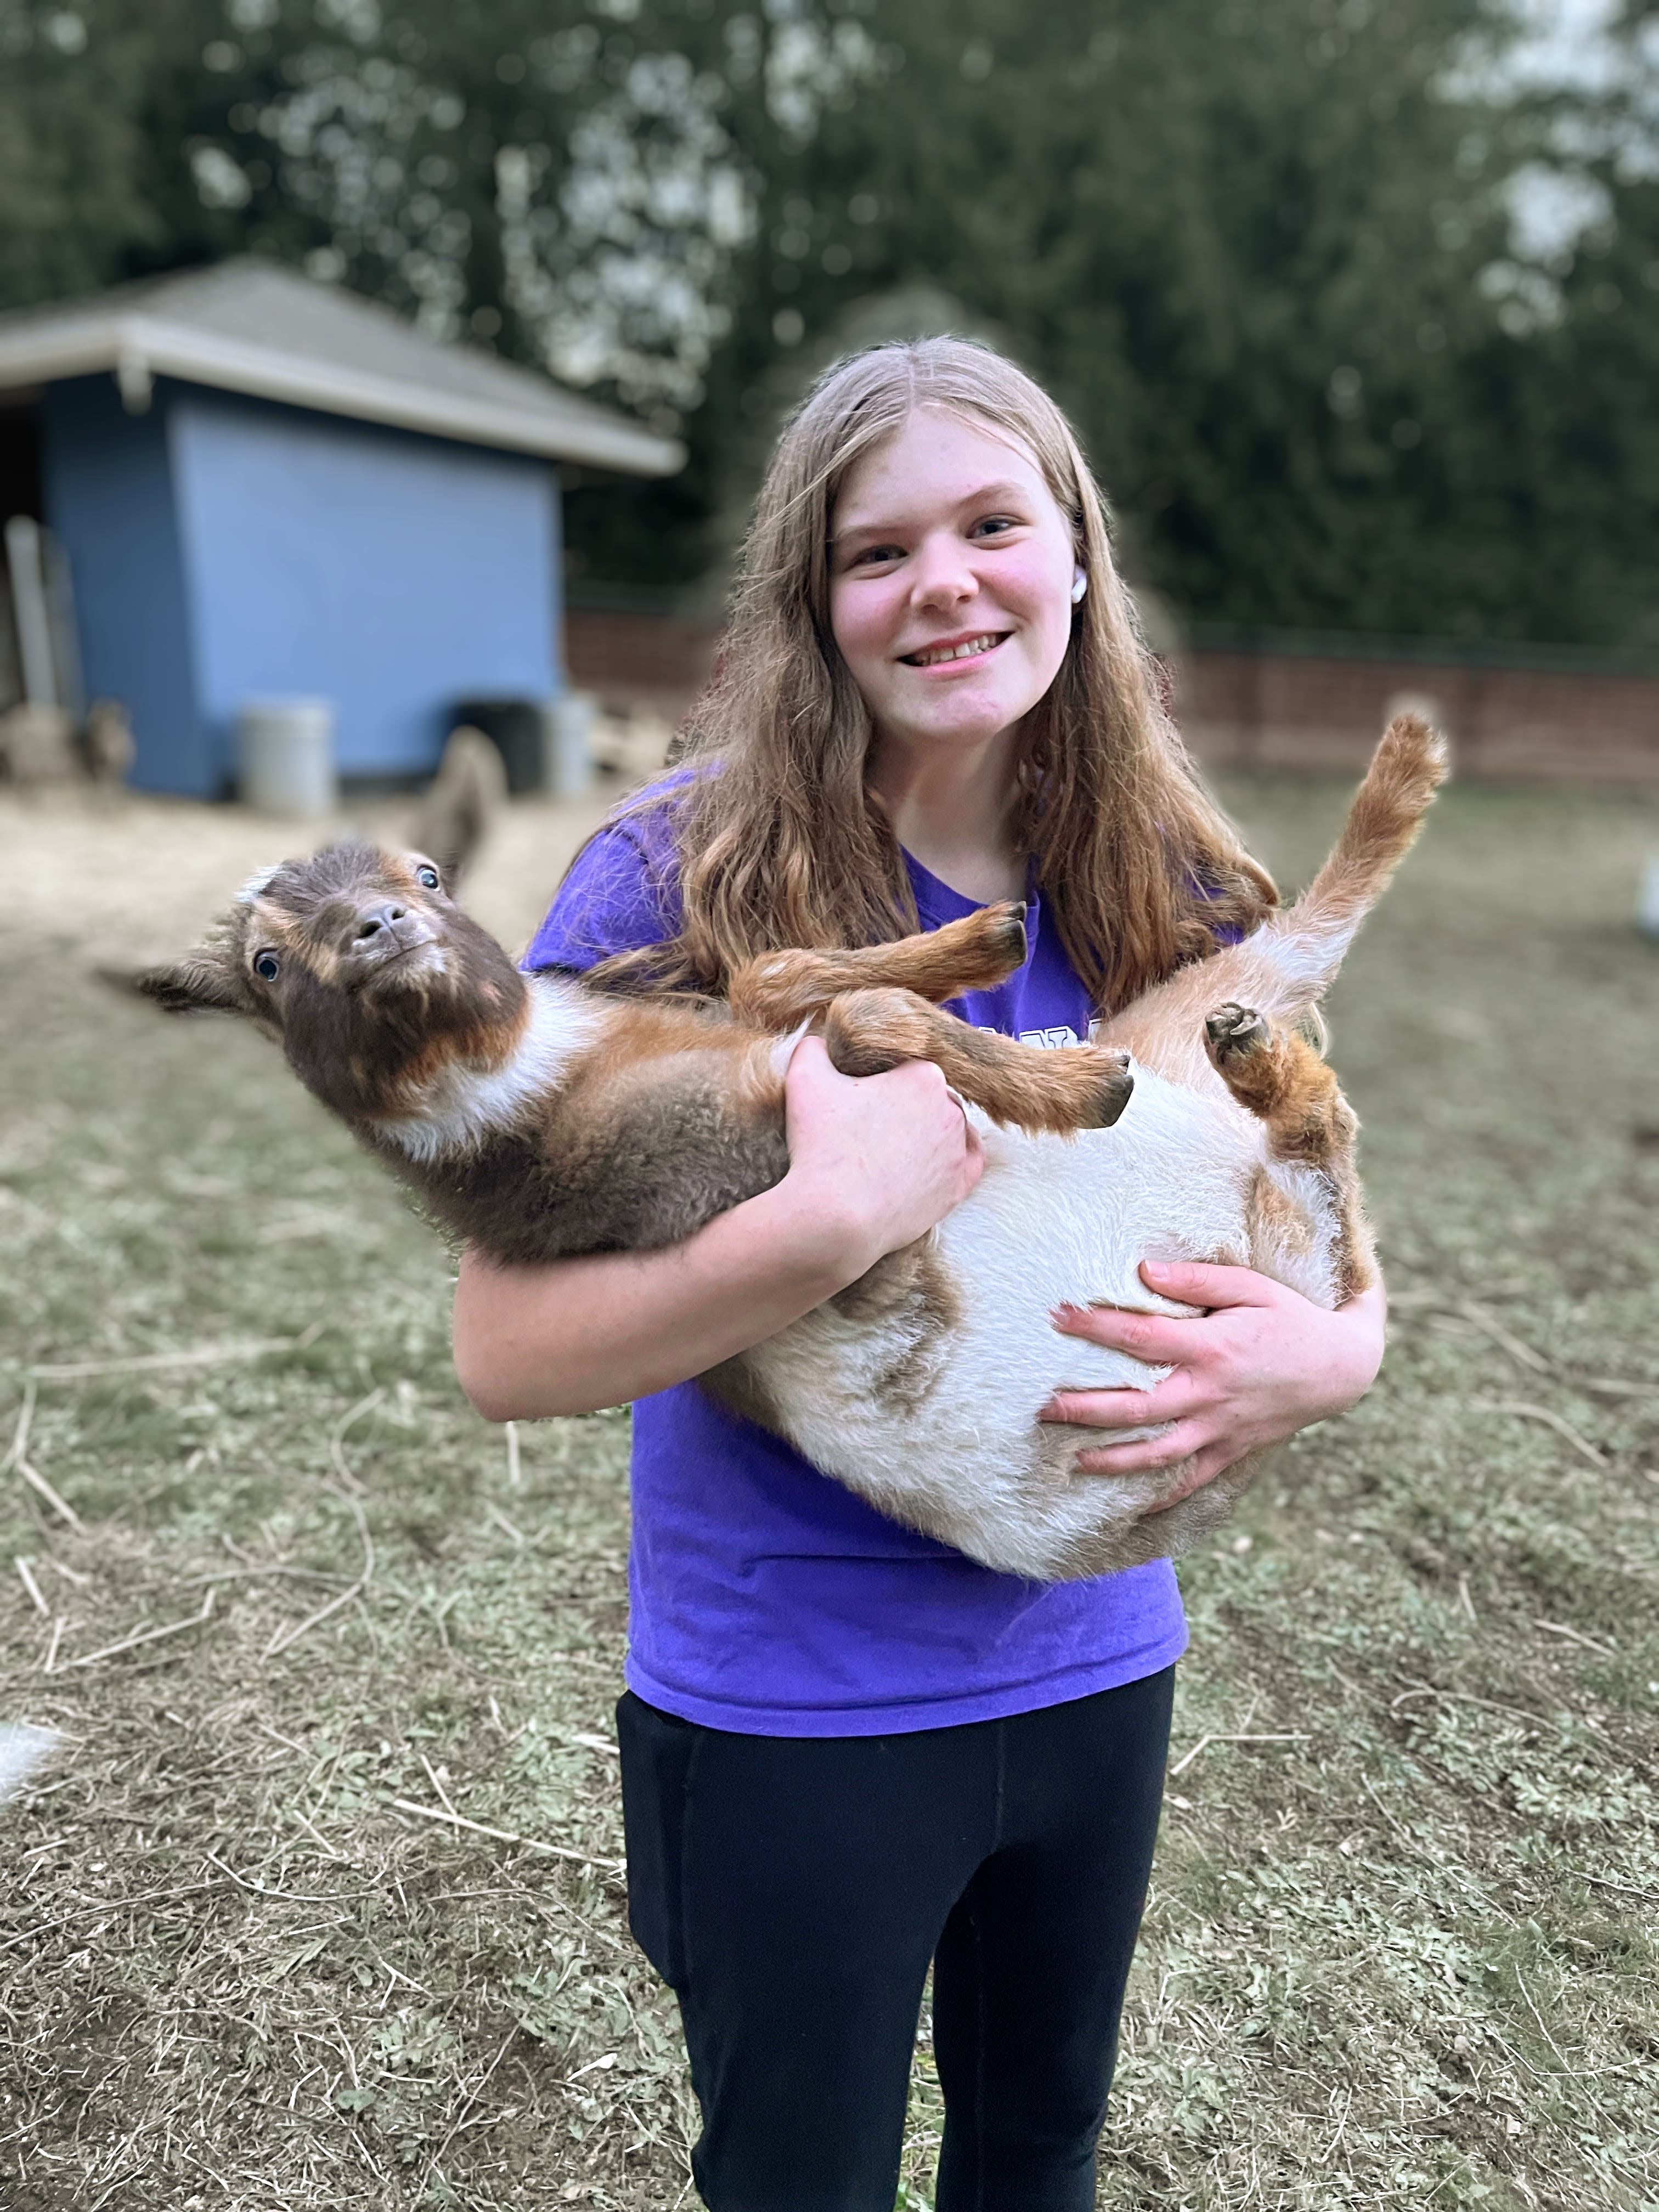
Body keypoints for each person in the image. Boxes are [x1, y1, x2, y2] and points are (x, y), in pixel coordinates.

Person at [453, 339, 1386, 2211]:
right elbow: (503, 1342)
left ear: (1077, 554)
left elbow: (1324, 1201)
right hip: (792, 1707)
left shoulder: (1181, 885)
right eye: (878, 552)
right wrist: (817, 1222)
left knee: (1038, 2155)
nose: (943, 583)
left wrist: (1338, 1358)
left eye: (991, 526)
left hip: (1099, 1667)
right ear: (812, 604)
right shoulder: (667, 885)